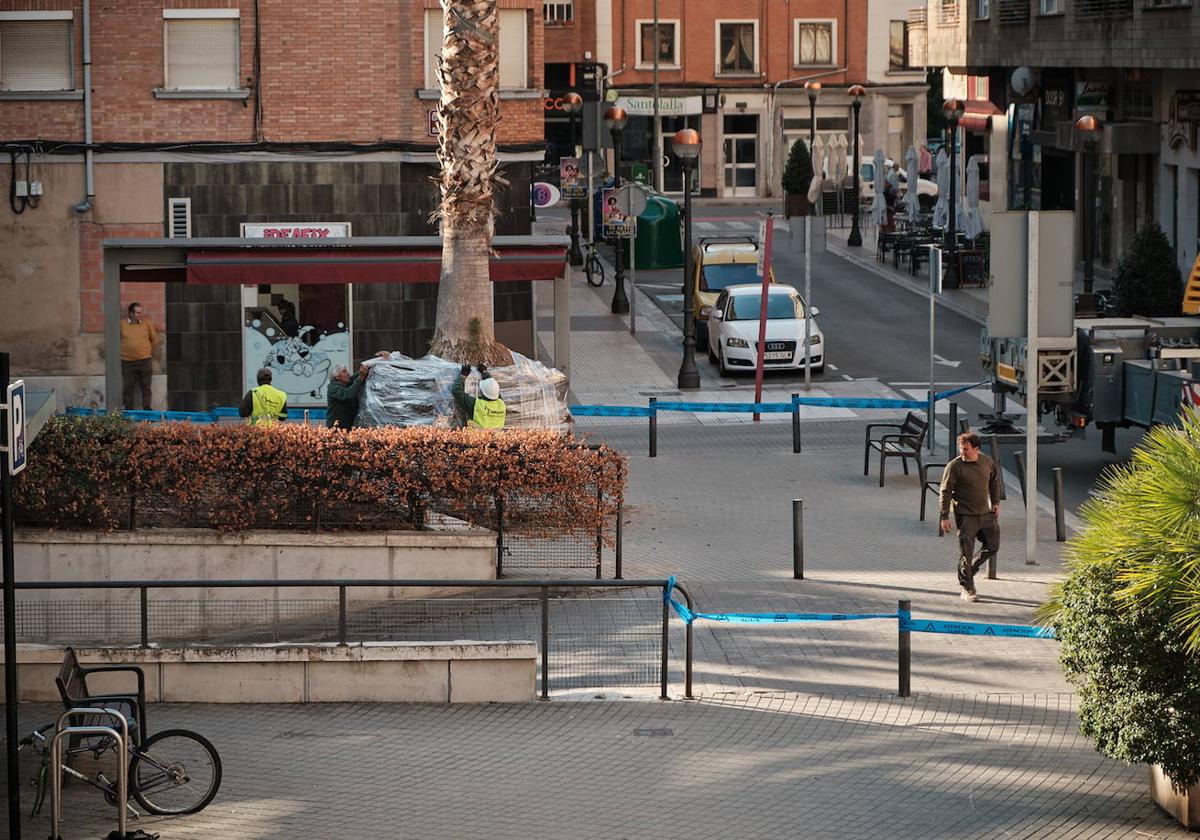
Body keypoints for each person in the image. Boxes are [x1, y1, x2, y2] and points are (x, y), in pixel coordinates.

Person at [939, 432, 1002, 602]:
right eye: (961, 449)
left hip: (986, 514)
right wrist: (944, 516)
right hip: (966, 516)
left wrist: (996, 501)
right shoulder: (955, 466)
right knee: (966, 552)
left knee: (993, 545)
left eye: (966, 450)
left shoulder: (987, 462)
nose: (962, 453)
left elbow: (994, 481)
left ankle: (969, 569)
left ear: (976, 449)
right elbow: (945, 491)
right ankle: (967, 588)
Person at [120, 302, 158, 410]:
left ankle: (147, 410)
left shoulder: (146, 323)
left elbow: (154, 338)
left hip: (144, 360)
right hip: (127, 361)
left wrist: (149, 351)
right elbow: (116, 339)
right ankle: (129, 411)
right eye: (137, 313)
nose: (140, 315)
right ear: (131, 313)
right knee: (128, 388)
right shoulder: (122, 324)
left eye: (141, 312)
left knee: (146, 388)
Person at [452, 364, 506, 429]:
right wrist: (485, 373)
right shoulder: (501, 404)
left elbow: (457, 391)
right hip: (497, 437)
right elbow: (492, 389)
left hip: (477, 436)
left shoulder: (476, 405)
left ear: (482, 391)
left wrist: (463, 376)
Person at [326, 363, 369, 429]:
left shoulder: (346, 384)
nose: (348, 373)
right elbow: (348, 395)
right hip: (336, 429)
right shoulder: (333, 387)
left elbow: (357, 375)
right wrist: (361, 378)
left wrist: (376, 360)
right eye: (344, 372)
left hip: (348, 427)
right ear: (337, 376)